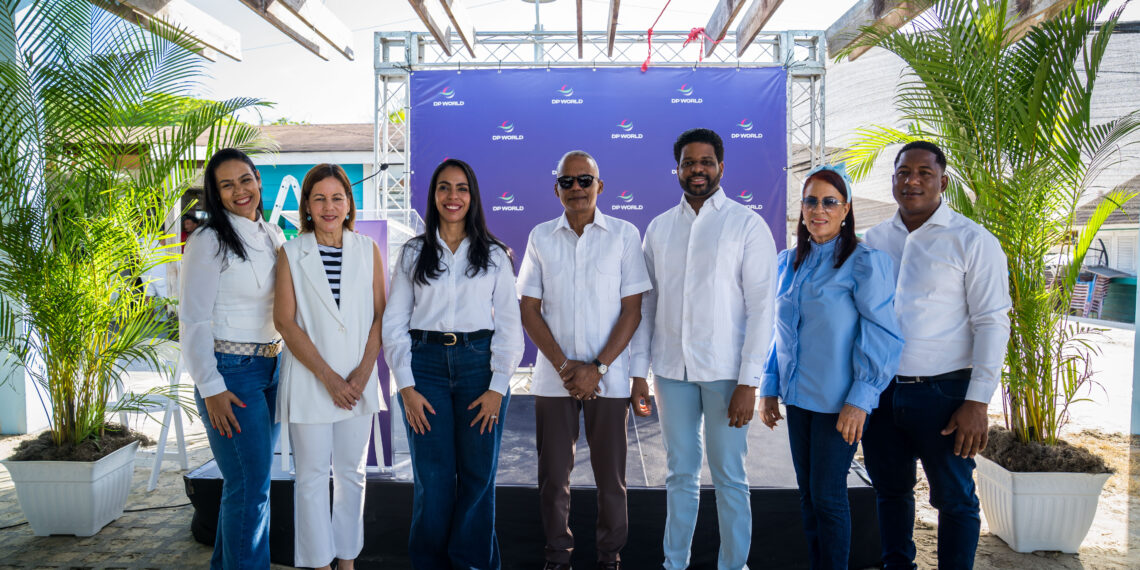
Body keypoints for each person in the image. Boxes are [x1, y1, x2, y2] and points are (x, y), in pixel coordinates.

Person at [630, 128, 777, 570]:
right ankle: (674, 564)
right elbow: (647, 306)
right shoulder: (658, 228)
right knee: (679, 474)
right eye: (689, 162)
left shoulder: (746, 225)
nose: (698, 169)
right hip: (671, 373)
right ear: (677, 168)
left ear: (721, 167)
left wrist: (750, 382)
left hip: (727, 376)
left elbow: (762, 309)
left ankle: (734, 566)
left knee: (730, 477)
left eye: (706, 161)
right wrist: (641, 371)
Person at [862, 141, 1011, 570]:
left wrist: (977, 401)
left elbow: (992, 322)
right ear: (892, 180)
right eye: (903, 172)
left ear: (942, 181)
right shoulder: (873, 240)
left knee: (955, 499)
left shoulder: (972, 240)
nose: (912, 181)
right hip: (882, 393)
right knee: (890, 491)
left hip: (946, 395)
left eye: (924, 173)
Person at [759, 164, 904, 570]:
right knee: (808, 496)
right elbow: (781, 332)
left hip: (840, 405)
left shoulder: (865, 262)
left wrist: (861, 399)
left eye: (829, 202)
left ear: (846, 209)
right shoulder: (787, 262)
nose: (817, 209)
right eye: (810, 201)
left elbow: (882, 336)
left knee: (828, 497)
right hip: (797, 400)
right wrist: (769, 386)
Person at [382, 158, 525, 570]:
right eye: (444, 188)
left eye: (461, 188)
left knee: (479, 478)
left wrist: (498, 387)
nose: (452, 196)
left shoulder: (496, 255)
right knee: (433, 479)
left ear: (473, 196)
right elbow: (394, 323)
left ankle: (472, 564)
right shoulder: (413, 252)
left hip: (479, 368)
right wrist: (406, 387)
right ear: (433, 196)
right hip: (424, 367)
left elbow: (511, 328)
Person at [518, 151, 652, 570]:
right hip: (552, 380)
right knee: (553, 480)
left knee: (611, 480)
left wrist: (598, 369)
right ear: (556, 188)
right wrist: (565, 368)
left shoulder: (625, 235)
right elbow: (528, 309)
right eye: (567, 181)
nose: (576, 188)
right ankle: (558, 557)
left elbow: (633, 310)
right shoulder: (540, 236)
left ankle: (609, 559)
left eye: (585, 180)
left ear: (600, 186)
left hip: (607, 381)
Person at [274, 164, 386, 570]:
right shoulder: (290, 252)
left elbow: (381, 317)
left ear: (349, 203)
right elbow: (285, 321)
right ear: (306, 205)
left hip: (358, 382)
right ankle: (319, 563)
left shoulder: (367, 249)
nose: (328, 206)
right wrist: (329, 377)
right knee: (312, 478)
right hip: (311, 382)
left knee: (353, 475)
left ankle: (347, 561)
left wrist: (360, 373)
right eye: (319, 198)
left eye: (337, 197)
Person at [180, 148, 285, 569]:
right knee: (249, 486)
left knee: (247, 485)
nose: (239, 190)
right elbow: (193, 321)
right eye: (227, 184)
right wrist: (211, 388)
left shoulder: (273, 234)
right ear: (216, 194)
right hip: (231, 374)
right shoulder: (208, 241)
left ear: (258, 180)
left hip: (272, 369)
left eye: (245, 179)